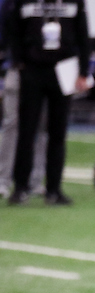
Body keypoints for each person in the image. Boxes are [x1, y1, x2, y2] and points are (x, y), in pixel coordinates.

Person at [4, 0, 90, 206]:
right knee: (27, 131)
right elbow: (12, 30)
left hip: (63, 69)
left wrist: (83, 71)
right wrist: (19, 62)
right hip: (33, 70)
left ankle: (54, 188)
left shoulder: (74, 2)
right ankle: (21, 187)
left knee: (57, 132)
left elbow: (82, 34)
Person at [0, 0, 49, 199]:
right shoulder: (11, 3)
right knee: (12, 124)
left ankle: (35, 179)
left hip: (45, 70)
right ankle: (3, 179)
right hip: (18, 68)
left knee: (41, 125)